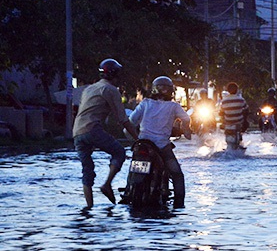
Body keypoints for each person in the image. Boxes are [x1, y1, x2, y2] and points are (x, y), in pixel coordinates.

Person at [73, 58, 139, 207]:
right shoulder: (110, 90)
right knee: (119, 152)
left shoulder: (89, 88)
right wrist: (138, 139)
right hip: (92, 129)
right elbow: (123, 119)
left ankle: (89, 207)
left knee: (87, 171)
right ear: (115, 75)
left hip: (77, 132)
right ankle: (107, 184)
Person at [129, 76, 191, 208]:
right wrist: (186, 130)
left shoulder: (145, 103)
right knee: (177, 175)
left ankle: (129, 192)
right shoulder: (174, 106)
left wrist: (135, 140)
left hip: (142, 145)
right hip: (162, 146)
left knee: (134, 171)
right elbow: (186, 118)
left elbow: (130, 123)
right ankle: (179, 205)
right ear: (171, 91)